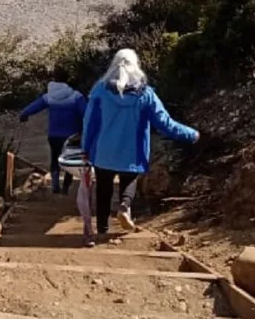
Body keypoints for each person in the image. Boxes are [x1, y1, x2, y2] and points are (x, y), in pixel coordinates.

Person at [81, 49, 199, 244]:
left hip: (104, 151)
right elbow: (165, 123)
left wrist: (85, 147)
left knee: (103, 189)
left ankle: (102, 229)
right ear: (136, 66)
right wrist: (191, 134)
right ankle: (125, 207)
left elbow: (89, 123)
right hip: (132, 152)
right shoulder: (146, 94)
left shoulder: (100, 91)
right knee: (129, 181)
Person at [19, 68, 88, 194]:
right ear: (68, 80)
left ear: (54, 79)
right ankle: (66, 187)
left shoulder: (49, 96)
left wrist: (24, 114)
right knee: (69, 161)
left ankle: (55, 185)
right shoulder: (76, 97)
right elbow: (87, 113)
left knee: (54, 159)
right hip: (72, 135)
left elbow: (35, 106)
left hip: (54, 134)